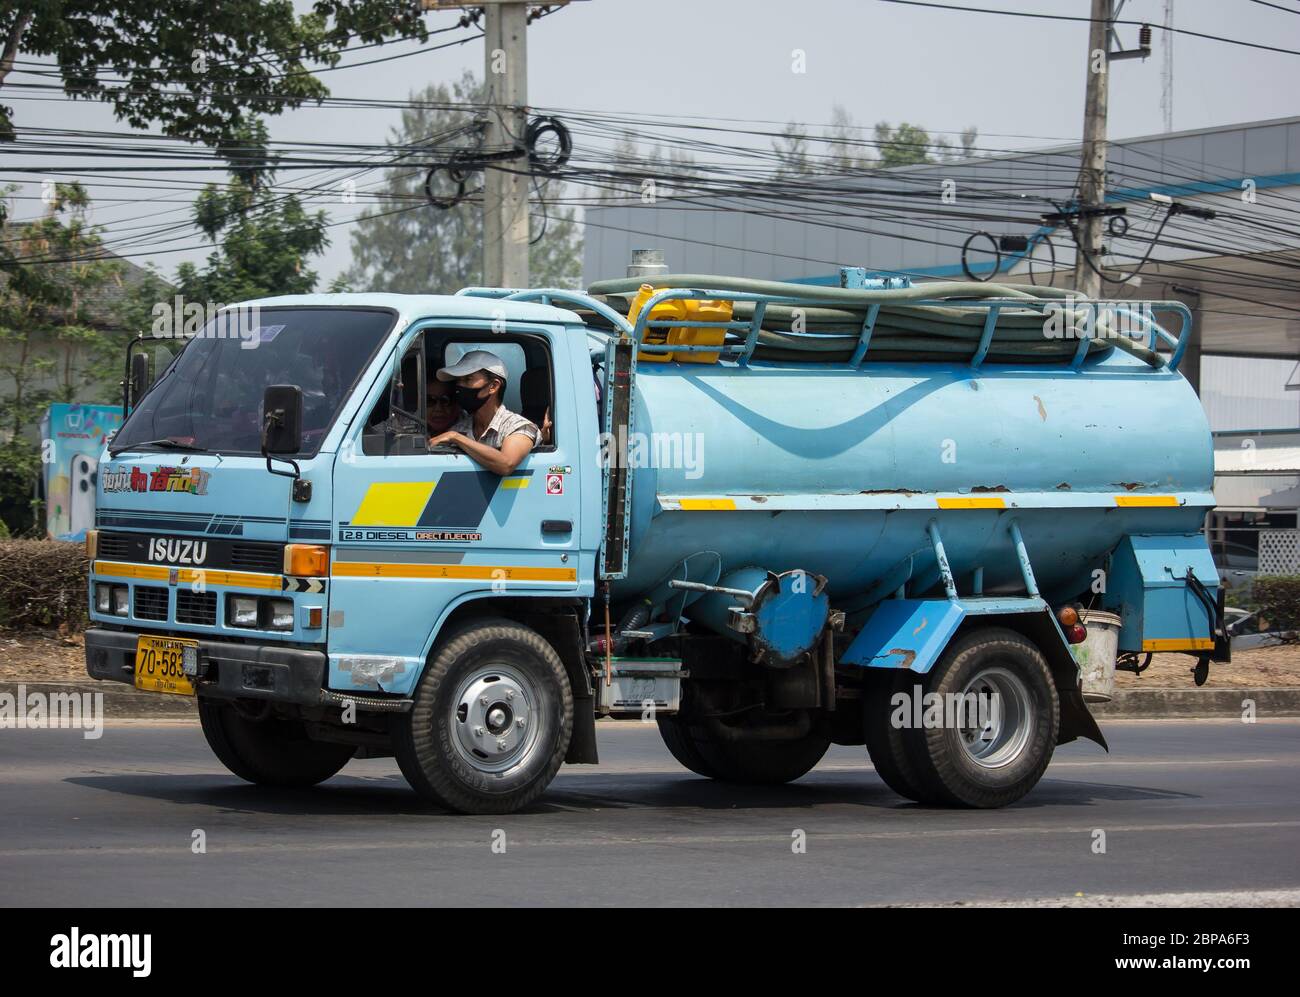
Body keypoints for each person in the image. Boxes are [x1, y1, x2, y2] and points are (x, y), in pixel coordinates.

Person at [428, 350, 539, 475]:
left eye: (467, 379)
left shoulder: (518, 426)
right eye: (458, 381)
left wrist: (456, 438)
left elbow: (506, 464)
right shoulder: (459, 427)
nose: (460, 387)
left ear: (493, 386)